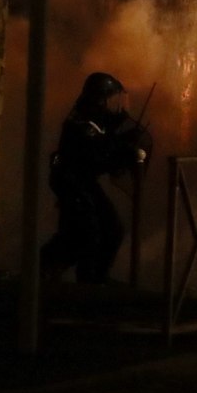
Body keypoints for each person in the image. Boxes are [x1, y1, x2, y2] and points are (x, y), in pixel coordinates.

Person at [40, 72, 152, 285]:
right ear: (101, 98)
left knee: (107, 229)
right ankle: (82, 279)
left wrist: (124, 138)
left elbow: (105, 141)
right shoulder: (82, 124)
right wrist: (123, 149)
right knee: (88, 231)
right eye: (113, 99)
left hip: (81, 181)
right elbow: (98, 152)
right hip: (72, 182)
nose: (117, 104)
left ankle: (89, 277)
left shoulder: (93, 118)